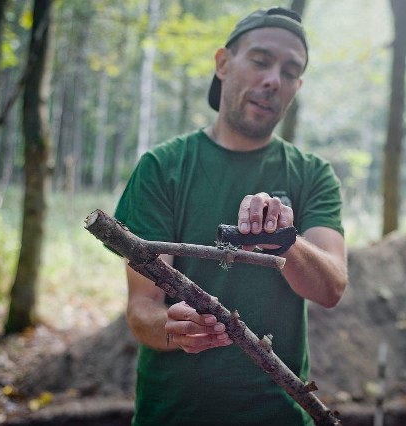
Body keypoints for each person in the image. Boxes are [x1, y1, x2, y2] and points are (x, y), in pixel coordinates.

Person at [113, 7, 348, 426]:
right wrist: (171, 327)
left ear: (298, 86)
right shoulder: (163, 167)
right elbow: (141, 309)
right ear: (223, 63)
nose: (273, 79)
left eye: (290, 71)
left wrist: (286, 241)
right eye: (260, 61)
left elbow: (331, 287)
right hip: (172, 415)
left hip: (279, 416)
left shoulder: (312, 174)